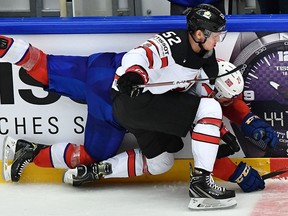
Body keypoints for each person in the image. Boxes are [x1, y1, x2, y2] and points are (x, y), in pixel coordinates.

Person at [1, 4, 276, 210]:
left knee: (136, 158)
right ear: (200, 33)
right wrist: (134, 74)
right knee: (46, 70)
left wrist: (250, 121)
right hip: (123, 97)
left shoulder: (206, 58)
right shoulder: (176, 47)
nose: (220, 40)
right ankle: (201, 188)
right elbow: (144, 54)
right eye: (217, 34)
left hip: (107, 88)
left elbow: (223, 98)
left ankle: (34, 152)